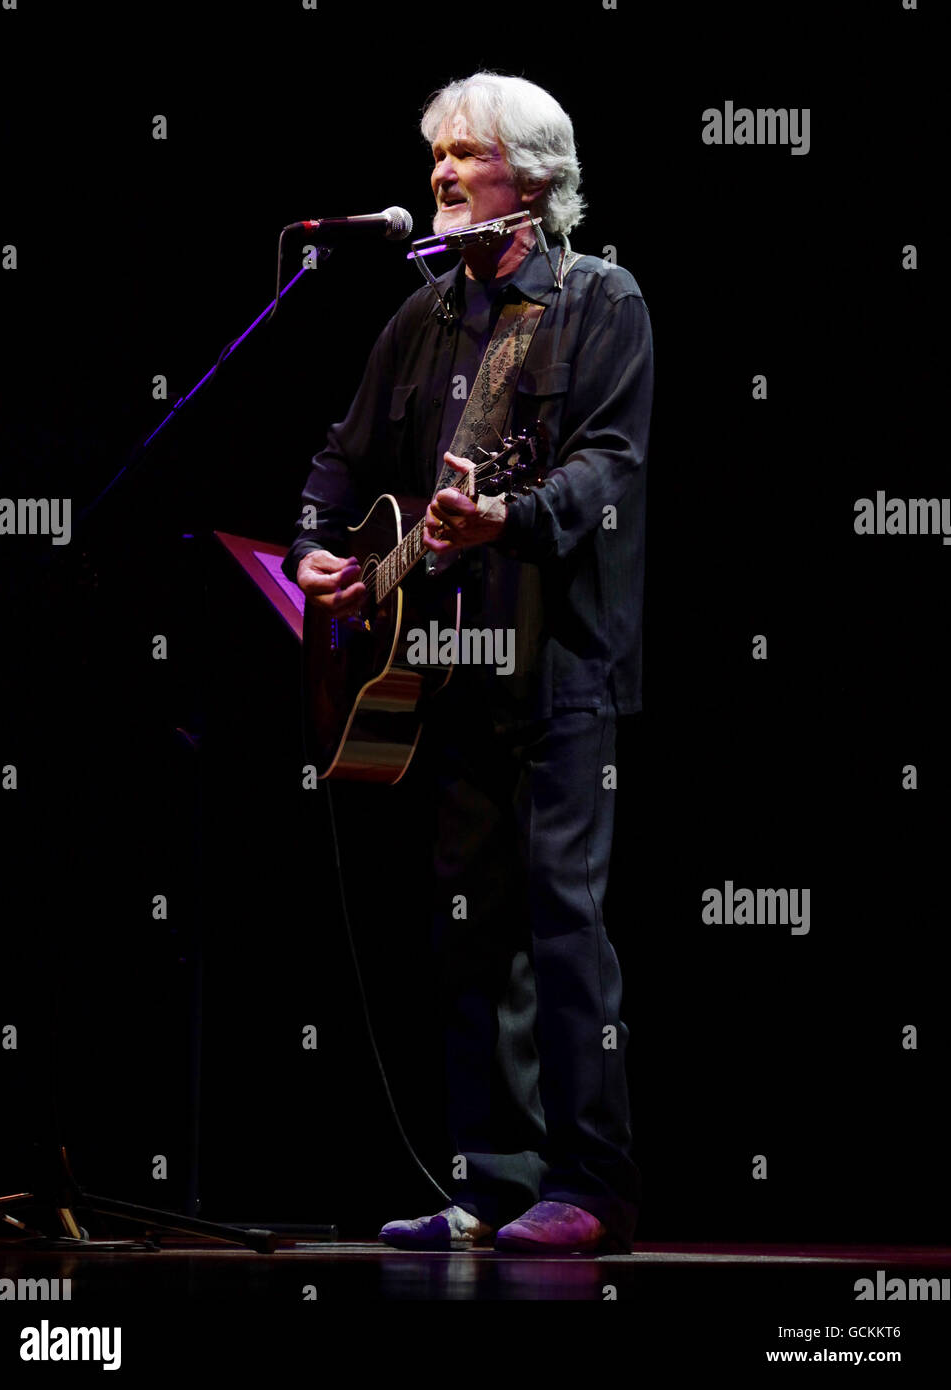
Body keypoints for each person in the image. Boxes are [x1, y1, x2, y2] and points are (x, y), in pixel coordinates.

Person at [283, 72, 653, 1254]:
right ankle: (491, 1184)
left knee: (564, 928)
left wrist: (510, 520)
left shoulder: (602, 300)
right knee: (468, 931)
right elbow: (340, 463)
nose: (439, 172)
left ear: (532, 180)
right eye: (435, 152)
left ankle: (592, 1185)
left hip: (561, 670)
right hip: (444, 666)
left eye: (465, 155)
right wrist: (314, 556)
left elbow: (607, 470)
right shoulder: (426, 313)